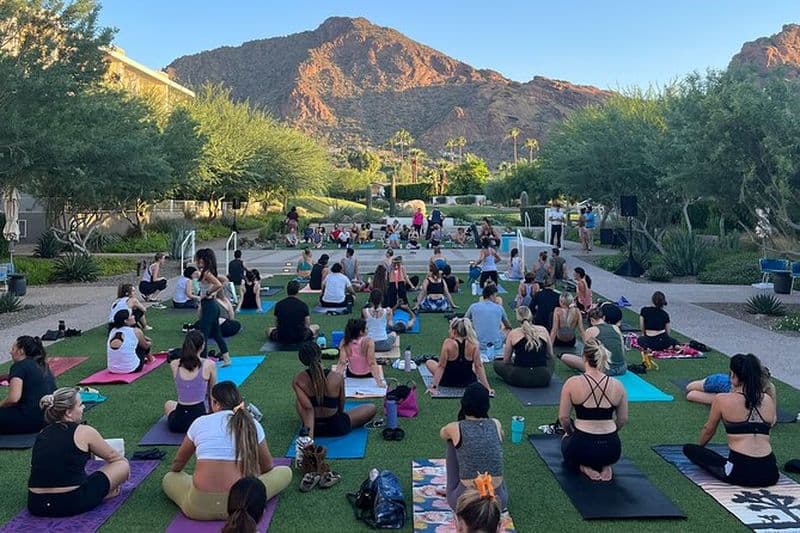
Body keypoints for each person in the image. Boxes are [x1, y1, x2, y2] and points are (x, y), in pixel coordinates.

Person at [164, 381, 292, 520]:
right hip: (241, 505)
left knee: (170, 477)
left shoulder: (199, 422)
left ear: (216, 403)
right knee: (285, 471)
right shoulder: (252, 424)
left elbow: (178, 464)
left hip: (199, 508)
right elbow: (267, 467)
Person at [27, 387, 130, 517]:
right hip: (71, 502)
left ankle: (104, 491)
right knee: (122, 465)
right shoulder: (84, 431)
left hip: (36, 504)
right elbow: (115, 458)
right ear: (69, 412)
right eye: (80, 404)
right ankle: (107, 492)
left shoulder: (43, 433)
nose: (83, 408)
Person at [683, 354, 779, 487]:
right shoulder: (767, 400)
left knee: (690, 450)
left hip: (740, 473)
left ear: (733, 375)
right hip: (770, 473)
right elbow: (772, 421)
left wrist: (700, 448)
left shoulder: (722, 399)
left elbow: (708, 430)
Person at [558, 338, 628, 481]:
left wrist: (570, 434)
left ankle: (584, 466)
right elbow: (623, 419)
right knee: (601, 451)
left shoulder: (572, 383)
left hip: (582, 447)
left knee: (566, 441)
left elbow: (564, 418)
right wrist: (609, 433)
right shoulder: (618, 385)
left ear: (584, 357)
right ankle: (605, 465)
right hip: (612, 450)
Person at [439, 383, 506, 510]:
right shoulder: (496, 423)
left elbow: (442, 434)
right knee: (492, 447)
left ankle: (451, 488)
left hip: (465, 503)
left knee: (451, 442)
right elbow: (501, 437)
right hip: (499, 501)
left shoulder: (456, 427)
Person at [293, 342, 377, 438]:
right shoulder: (337, 377)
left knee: (299, 401)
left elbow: (308, 409)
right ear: (320, 354)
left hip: (312, 427)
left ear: (302, 360)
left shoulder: (298, 380)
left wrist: (309, 436)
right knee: (371, 407)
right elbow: (341, 405)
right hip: (337, 427)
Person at [0, 336, 56, 435]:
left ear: (21, 351)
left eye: (13, 349)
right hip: (48, 418)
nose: (10, 352)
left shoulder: (19, 366)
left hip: (30, 420)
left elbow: (13, 399)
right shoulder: (42, 364)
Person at [165, 331, 217, 433]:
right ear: (202, 346)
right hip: (199, 422)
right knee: (171, 404)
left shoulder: (174, 364)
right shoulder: (209, 364)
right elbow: (213, 394)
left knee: (169, 404)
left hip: (179, 423)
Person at [425, 318, 494, 395]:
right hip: (468, 382)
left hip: (446, 380)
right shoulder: (474, 344)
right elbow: (479, 367)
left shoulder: (448, 343)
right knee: (477, 364)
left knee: (429, 362)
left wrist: (434, 387)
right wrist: (487, 388)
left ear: (454, 331)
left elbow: (441, 366)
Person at [494, 307, 554, 388]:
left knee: (497, 364)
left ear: (518, 318)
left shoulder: (513, 333)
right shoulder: (543, 330)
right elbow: (550, 355)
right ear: (531, 316)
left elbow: (506, 360)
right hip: (542, 377)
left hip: (519, 377)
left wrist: (515, 360)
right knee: (551, 361)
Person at [560, 306, 626, 376]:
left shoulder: (590, 331)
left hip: (603, 370)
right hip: (622, 368)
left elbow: (585, 357)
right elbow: (622, 350)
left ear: (591, 320)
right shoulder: (615, 327)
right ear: (603, 318)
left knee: (564, 357)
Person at [195, 248, 232, 366]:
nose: (196, 261)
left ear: (203, 260)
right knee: (216, 334)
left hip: (210, 306)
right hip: (211, 306)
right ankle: (226, 359)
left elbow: (218, 284)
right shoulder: (207, 271)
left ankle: (203, 361)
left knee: (203, 335)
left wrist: (207, 294)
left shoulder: (206, 273)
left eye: (198, 259)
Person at [685, 365, 777, 406]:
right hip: (720, 382)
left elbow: (772, 419)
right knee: (689, 388)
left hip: (729, 391)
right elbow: (691, 395)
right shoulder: (738, 389)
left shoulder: (769, 387)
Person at [335, 319, 385, 386]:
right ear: (361, 332)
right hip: (368, 374)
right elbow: (372, 363)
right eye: (366, 328)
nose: (368, 330)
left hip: (351, 374)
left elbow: (342, 362)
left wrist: (336, 382)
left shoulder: (344, 341)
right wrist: (379, 382)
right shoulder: (369, 342)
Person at [465, 285, 511, 356]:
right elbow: (508, 326)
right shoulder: (499, 308)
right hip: (496, 345)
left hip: (477, 343)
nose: (496, 298)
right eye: (496, 296)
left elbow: (464, 322)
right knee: (508, 330)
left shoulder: (473, 306)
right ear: (492, 296)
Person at [107, 309, 152, 374]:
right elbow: (145, 346)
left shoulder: (113, 330)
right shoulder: (136, 331)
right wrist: (149, 343)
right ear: (125, 321)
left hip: (112, 369)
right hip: (132, 368)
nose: (133, 316)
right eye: (131, 315)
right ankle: (151, 359)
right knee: (145, 344)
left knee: (134, 343)